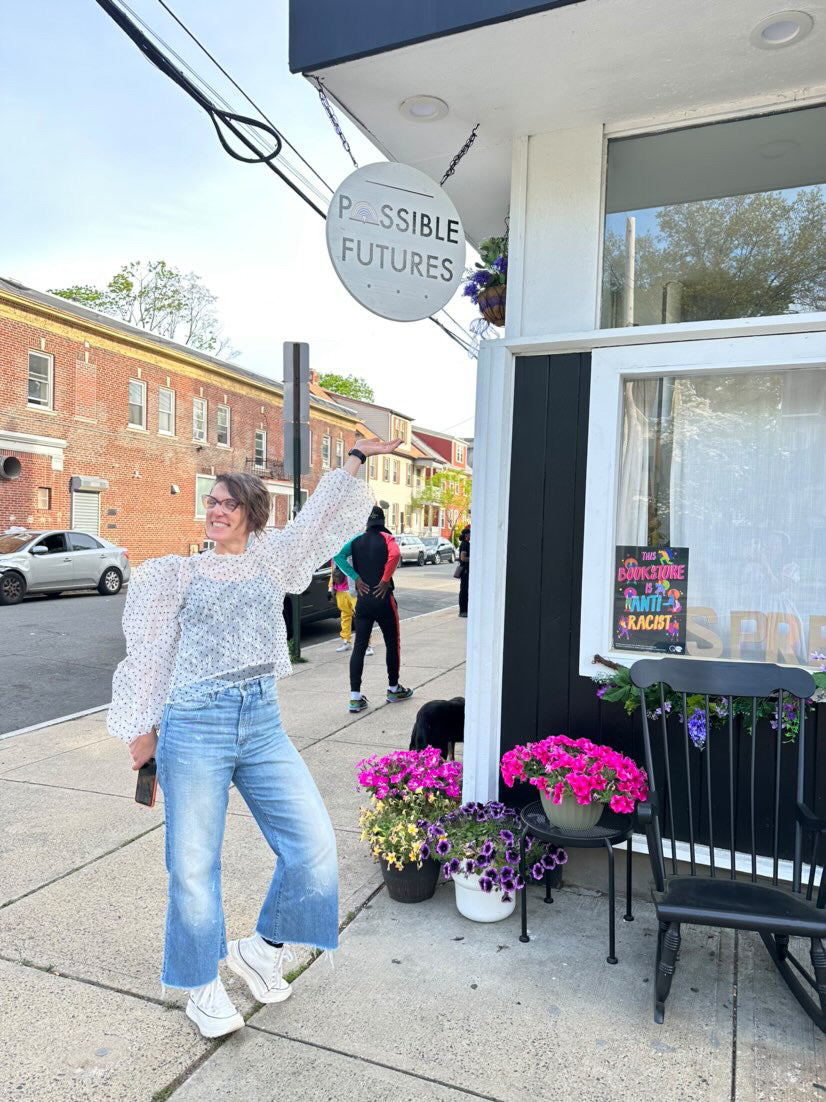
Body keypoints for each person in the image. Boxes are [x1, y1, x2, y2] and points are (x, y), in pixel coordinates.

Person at [108, 437, 401, 1038]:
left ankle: (262, 949)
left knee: (314, 845)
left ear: (252, 515)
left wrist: (356, 457)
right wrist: (143, 732)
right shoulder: (177, 575)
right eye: (211, 501)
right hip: (196, 723)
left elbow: (321, 518)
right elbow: (148, 655)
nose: (215, 510)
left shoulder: (273, 561)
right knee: (193, 864)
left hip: (262, 721)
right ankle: (201, 986)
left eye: (227, 504)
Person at [334, 506, 413, 713]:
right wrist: (386, 579)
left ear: (366, 522)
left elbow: (339, 557)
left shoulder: (357, 540)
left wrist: (356, 578)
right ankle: (393, 689)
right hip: (384, 599)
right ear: (382, 520)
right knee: (392, 643)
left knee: (359, 645)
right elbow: (395, 555)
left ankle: (355, 698)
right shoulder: (387, 538)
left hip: (364, 600)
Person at [329, 560, 372, 656]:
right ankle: (346, 641)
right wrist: (330, 588)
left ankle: (367, 645)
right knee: (344, 615)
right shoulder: (335, 554)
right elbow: (333, 571)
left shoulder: (352, 549)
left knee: (361, 617)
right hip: (340, 590)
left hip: (354, 589)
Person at [458, 525, 470, 618]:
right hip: (465, 570)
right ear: (466, 535)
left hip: (466, 570)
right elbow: (463, 557)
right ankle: (463, 611)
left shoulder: (465, 543)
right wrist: (473, 559)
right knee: (464, 591)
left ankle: (465, 610)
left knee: (465, 590)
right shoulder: (465, 544)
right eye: (470, 533)